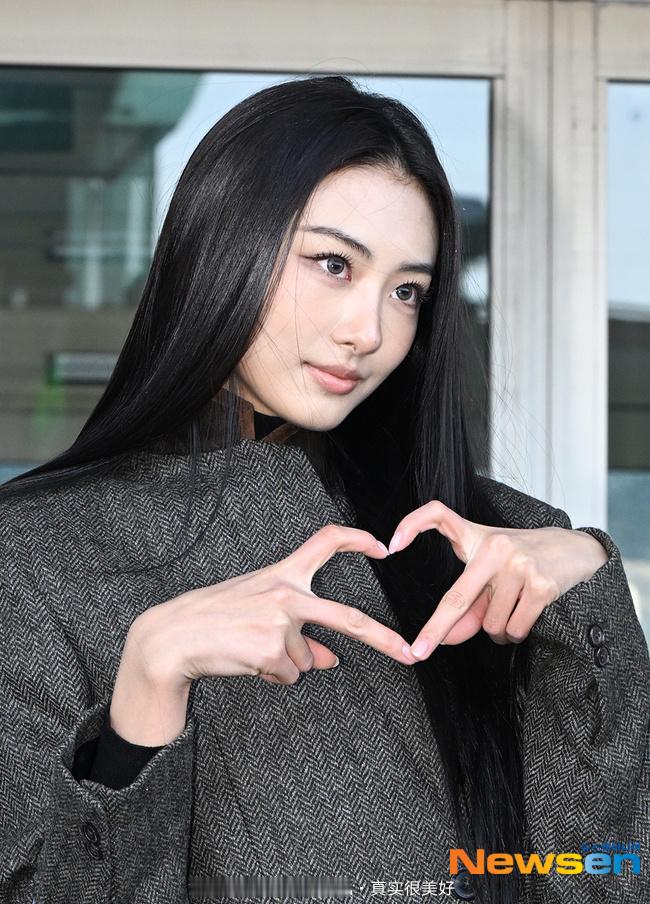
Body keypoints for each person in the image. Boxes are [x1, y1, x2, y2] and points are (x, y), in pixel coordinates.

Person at [0, 74, 648, 904]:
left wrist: (586, 590)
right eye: (334, 264)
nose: (368, 332)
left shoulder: (494, 545)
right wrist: (148, 687)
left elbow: (607, 877)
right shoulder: (35, 557)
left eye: (407, 291)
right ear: (221, 245)